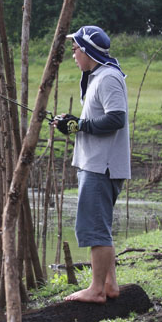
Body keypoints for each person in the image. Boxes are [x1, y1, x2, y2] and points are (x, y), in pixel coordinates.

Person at [53, 25, 131, 303]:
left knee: (95, 228)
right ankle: (109, 285)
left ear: (87, 50)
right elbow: (90, 122)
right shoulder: (96, 76)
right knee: (100, 227)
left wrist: (80, 125)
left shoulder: (108, 77)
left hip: (102, 166)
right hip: (94, 164)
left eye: (75, 49)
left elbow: (115, 119)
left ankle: (96, 289)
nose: (73, 55)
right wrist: (71, 124)